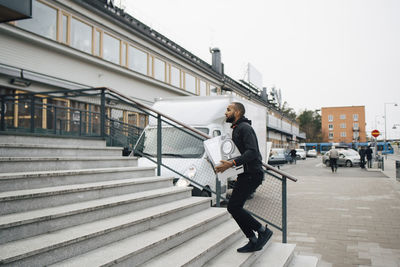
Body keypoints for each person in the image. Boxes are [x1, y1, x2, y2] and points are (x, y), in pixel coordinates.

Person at [215, 102, 273, 253]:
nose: (226, 113)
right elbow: (238, 153)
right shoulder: (236, 128)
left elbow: (252, 152)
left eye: (228, 110)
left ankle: (262, 232)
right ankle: (254, 240)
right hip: (245, 174)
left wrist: (232, 163)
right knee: (235, 208)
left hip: (252, 174)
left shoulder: (244, 128)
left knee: (233, 207)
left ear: (238, 112)